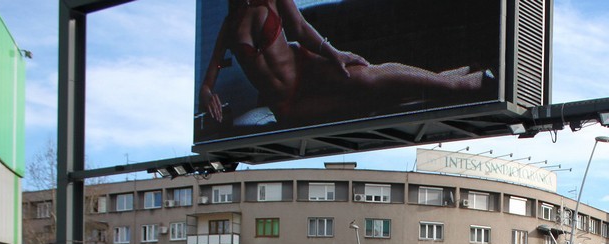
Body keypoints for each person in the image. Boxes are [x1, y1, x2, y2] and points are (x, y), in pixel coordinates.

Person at [198, 0, 493, 130]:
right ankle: (454, 78)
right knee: (366, 104)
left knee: (369, 79)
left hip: (306, 66)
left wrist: (335, 53)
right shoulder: (228, 24)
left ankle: (461, 83)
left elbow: (299, 28)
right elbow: (208, 79)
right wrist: (208, 95)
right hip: (287, 103)